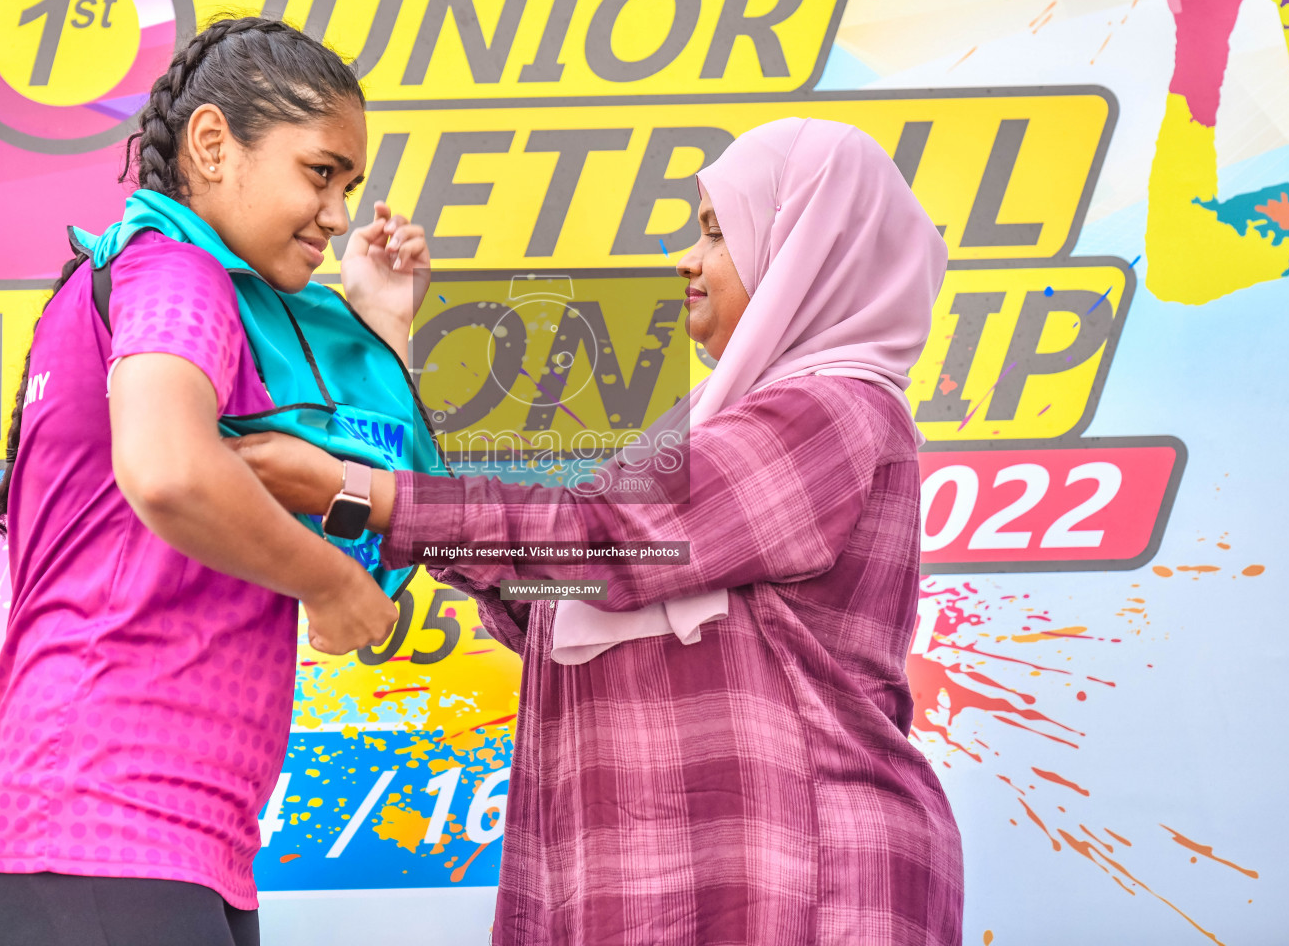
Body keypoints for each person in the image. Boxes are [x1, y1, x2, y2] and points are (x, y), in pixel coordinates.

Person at [230, 117, 965, 944]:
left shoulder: (834, 412)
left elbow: (616, 543)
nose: (687, 259)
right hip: (658, 876)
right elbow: (547, 578)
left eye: (719, 234)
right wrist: (389, 346)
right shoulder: (698, 437)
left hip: (800, 875)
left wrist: (358, 491)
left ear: (809, 256)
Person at [0, 17, 433, 946]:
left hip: (156, 838)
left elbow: (331, 494)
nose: (337, 214)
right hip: (98, 822)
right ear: (213, 145)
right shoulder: (178, 268)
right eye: (319, 173)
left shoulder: (170, 279)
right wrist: (332, 590)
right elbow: (169, 473)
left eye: (350, 187)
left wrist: (379, 331)